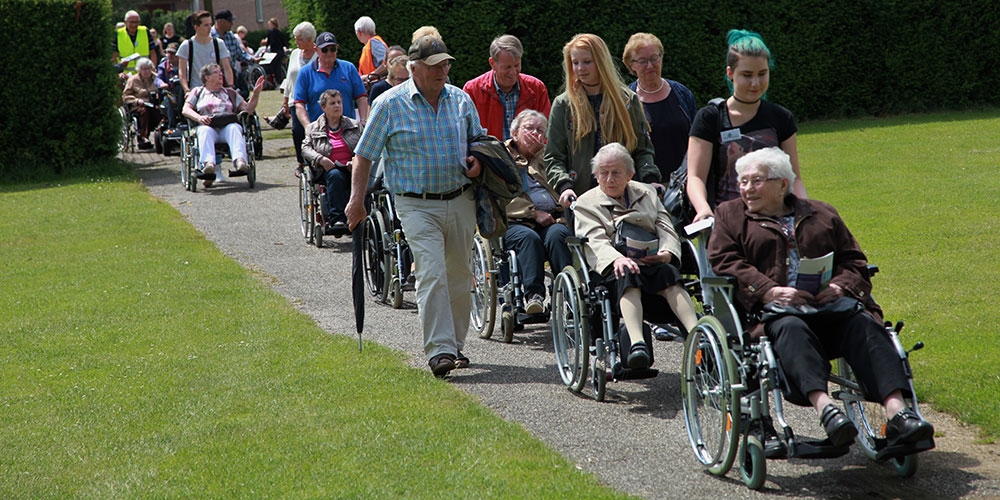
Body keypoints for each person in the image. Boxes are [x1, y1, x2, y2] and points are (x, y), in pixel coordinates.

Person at [708, 146, 934, 450]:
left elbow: (854, 262)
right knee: (791, 327)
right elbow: (725, 261)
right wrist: (769, 290)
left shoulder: (822, 213)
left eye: (756, 181)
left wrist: (839, 287)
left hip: (831, 308)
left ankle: (899, 413)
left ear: (782, 184)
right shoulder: (730, 215)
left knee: (865, 326)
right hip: (776, 314)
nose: (747, 188)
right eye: (743, 181)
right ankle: (827, 409)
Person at [344, 36, 486, 378]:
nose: (443, 70)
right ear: (414, 68)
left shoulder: (461, 100)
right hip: (415, 204)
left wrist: (478, 164)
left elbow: (479, 142)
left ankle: (454, 346)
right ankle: (439, 351)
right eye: (435, 65)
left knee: (459, 276)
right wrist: (356, 201)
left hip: (460, 197)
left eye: (446, 63)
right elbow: (363, 156)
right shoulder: (390, 104)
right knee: (431, 273)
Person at [574, 143, 698, 369]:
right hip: (613, 270)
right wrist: (616, 259)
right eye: (603, 173)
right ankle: (637, 343)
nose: (609, 179)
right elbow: (594, 240)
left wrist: (667, 253)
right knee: (627, 274)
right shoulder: (586, 204)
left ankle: (698, 336)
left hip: (650, 262)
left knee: (670, 274)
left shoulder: (647, 192)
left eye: (616, 172)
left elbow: (665, 227)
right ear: (595, 175)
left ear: (630, 174)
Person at [687, 29, 806, 223]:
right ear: (730, 73)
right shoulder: (710, 117)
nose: (755, 83)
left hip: (776, 220)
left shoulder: (781, 117)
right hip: (727, 221)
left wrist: (805, 209)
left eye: (762, 74)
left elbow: (795, 178)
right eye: (747, 75)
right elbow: (695, 178)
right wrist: (703, 210)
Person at [544, 34, 659, 209]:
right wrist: (564, 186)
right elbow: (553, 156)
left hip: (626, 199)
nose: (580, 68)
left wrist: (650, 180)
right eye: (575, 63)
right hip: (580, 199)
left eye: (587, 61)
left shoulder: (627, 101)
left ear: (601, 61)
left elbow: (643, 149)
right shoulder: (563, 104)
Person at [503, 109, 571, 314]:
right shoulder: (502, 157)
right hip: (515, 222)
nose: (535, 133)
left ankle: (568, 295)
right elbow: (499, 197)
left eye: (540, 130)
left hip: (552, 219)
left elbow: (562, 185)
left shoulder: (550, 157)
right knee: (528, 238)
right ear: (514, 133)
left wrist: (543, 155)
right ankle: (535, 295)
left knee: (559, 235)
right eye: (529, 128)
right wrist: (533, 213)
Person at [622, 32, 696, 179]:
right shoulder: (625, 100)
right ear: (632, 65)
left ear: (661, 58)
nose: (650, 65)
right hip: (644, 186)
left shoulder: (682, 93)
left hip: (684, 182)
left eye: (654, 58)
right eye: (642, 61)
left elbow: (697, 137)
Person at [181, 64, 265, 188]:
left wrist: (256, 94)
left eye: (221, 72)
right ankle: (208, 165)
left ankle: (240, 161)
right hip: (207, 126)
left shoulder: (230, 93)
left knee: (235, 128)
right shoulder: (198, 92)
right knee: (204, 131)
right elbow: (185, 110)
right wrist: (199, 118)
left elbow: (248, 110)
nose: (221, 74)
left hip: (227, 127)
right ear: (207, 77)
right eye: (216, 72)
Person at [463, 35, 551, 141]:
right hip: (487, 156)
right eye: (507, 67)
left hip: (529, 156)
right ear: (492, 63)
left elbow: (547, 131)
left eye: (516, 65)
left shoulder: (536, 88)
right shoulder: (473, 90)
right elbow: (466, 135)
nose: (513, 72)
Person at [301, 90, 364, 236]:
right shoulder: (313, 128)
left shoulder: (354, 125)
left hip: (352, 167)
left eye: (339, 103)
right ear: (323, 107)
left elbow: (363, 146)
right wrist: (321, 159)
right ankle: (337, 219)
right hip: (327, 170)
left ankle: (361, 217)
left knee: (364, 177)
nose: (337, 106)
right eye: (332, 103)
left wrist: (354, 161)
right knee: (335, 176)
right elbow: (305, 148)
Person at [293, 32, 369, 134]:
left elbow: (361, 97)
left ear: (337, 49)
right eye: (324, 50)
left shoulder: (349, 68)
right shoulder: (305, 72)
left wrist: (363, 121)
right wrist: (308, 127)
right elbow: (299, 104)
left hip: (348, 131)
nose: (329, 53)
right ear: (316, 50)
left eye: (333, 49)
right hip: (319, 132)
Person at [280, 22, 319, 170]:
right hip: (295, 100)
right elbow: (289, 79)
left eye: (299, 39)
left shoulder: (319, 54)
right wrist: (285, 100)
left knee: (315, 130)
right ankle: (301, 162)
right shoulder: (295, 54)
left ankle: (315, 159)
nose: (296, 42)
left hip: (314, 100)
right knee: (297, 131)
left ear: (310, 39)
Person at [177, 10, 234, 95]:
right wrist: (186, 90)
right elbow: (182, 72)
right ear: (196, 27)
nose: (210, 27)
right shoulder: (187, 45)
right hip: (196, 91)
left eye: (210, 24)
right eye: (206, 25)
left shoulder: (218, 43)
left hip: (217, 90)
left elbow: (227, 68)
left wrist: (230, 86)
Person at [122, 57, 167, 151]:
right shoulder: (133, 80)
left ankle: (161, 135)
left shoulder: (156, 78)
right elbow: (126, 96)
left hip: (154, 104)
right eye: (144, 69)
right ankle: (143, 137)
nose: (146, 71)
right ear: (139, 70)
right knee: (144, 111)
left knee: (161, 112)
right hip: (139, 105)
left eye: (148, 68)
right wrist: (137, 101)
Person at [211, 10, 255, 86]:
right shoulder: (210, 36)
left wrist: (252, 59)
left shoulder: (230, 35)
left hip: (230, 73)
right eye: (229, 21)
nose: (232, 24)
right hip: (213, 75)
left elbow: (239, 53)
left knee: (243, 93)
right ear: (220, 21)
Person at [354, 16, 388, 89]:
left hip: (378, 87)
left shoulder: (374, 42)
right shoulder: (368, 45)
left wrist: (369, 77)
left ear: (359, 32)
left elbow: (386, 64)